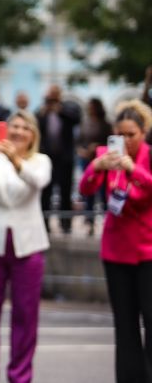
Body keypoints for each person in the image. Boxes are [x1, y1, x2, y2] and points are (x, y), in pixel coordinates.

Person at [0, 110, 51, 383]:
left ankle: (20, 376)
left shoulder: (41, 161)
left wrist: (15, 159)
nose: (17, 132)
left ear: (33, 135)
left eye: (24, 128)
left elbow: (38, 182)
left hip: (28, 247)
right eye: (13, 126)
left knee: (26, 318)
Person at [79, 100, 152, 383]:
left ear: (143, 133)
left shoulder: (146, 157)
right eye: (119, 135)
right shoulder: (106, 157)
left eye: (131, 135)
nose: (124, 141)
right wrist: (97, 165)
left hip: (147, 250)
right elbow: (86, 188)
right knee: (125, 324)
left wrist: (132, 168)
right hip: (116, 250)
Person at [36, 85, 81, 233]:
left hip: (64, 159)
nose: (51, 101)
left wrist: (59, 110)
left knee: (65, 191)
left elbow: (76, 119)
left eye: (54, 97)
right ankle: (45, 223)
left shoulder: (67, 108)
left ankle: (66, 223)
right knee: (46, 192)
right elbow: (36, 127)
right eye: (49, 98)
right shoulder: (42, 112)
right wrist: (44, 112)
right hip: (47, 159)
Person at [75, 98, 112, 235]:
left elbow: (110, 141)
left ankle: (106, 220)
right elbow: (78, 142)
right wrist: (83, 151)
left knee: (103, 192)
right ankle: (89, 221)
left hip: (103, 160)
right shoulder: (84, 123)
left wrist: (97, 147)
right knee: (88, 192)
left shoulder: (105, 124)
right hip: (87, 160)